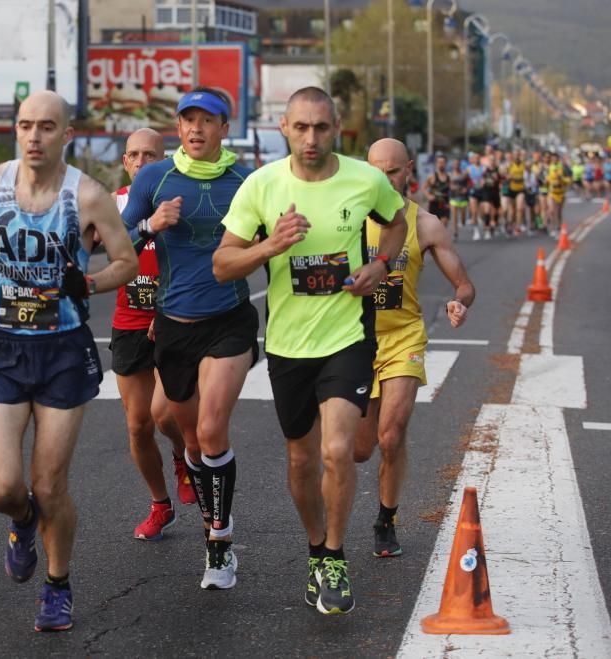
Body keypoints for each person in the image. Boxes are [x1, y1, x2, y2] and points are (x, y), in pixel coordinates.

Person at [212, 86, 408, 615]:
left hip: (347, 335)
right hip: (288, 344)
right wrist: (270, 246)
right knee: (301, 460)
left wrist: (381, 265)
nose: (312, 138)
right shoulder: (261, 186)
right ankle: (316, 546)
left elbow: (397, 222)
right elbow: (223, 264)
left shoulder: (364, 179)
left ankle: (337, 556)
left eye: (322, 127)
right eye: (301, 127)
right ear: (284, 127)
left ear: (337, 128)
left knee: (337, 450)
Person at [0, 90, 137, 631]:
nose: (34, 136)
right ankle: (23, 520)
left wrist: (88, 282)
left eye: (46, 127)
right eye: (25, 125)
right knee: (0, 488)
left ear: (67, 134)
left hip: (62, 349)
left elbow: (126, 262)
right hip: (3, 347)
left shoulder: (89, 197)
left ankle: (57, 585)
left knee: (51, 483)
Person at [121, 87, 255, 591]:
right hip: (174, 325)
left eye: (208, 120)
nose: (196, 128)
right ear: (177, 128)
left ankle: (219, 543)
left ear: (225, 127)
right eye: (188, 120)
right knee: (194, 442)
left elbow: (278, 242)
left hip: (230, 319)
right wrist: (151, 226)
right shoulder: (155, 178)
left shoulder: (248, 181)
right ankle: (209, 523)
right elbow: (115, 241)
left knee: (214, 426)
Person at [353, 138, 476, 558]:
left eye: (393, 171)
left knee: (391, 435)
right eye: (376, 170)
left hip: (403, 336)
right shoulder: (348, 218)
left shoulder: (425, 224)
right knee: (359, 448)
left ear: (409, 172)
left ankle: (386, 520)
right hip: (354, 339)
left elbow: (464, 282)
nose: (385, 179)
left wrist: (460, 301)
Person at [109, 128, 195, 541]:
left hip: (173, 318)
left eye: (150, 155)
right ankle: (160, 504)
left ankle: (182, 457)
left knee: (165, 414)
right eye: (133, 155)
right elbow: (105, 252)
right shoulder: (113, 205)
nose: (141, 162)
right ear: (125, 162)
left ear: (165, 160)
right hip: (128, 320)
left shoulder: (181, 199)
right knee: (138, 425)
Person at [422, 153, 450, 230]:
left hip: (445, 204)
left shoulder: (449, 177)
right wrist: (428, 196)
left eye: (443, 162)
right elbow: (424, 188)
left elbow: (452, 190)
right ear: (436, 164)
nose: (441, 164)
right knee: (434, 228)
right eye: (439, 162)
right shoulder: (432, 176)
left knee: (443, 226)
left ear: (446, 164)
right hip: (434, 204)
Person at [448, 157, 469, 241]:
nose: (456, 165)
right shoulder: (449, 174)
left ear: (460, 165)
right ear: (453, 165)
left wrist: (466, 189)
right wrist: (451, 187)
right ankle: (455, 233)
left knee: (463, 218)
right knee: (454, 216)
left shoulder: (464, 174)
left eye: (458, 164)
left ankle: (463, 221)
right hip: (453, 197)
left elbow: (469, 184)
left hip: (463, 198)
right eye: (455, 164)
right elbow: (448, 184)